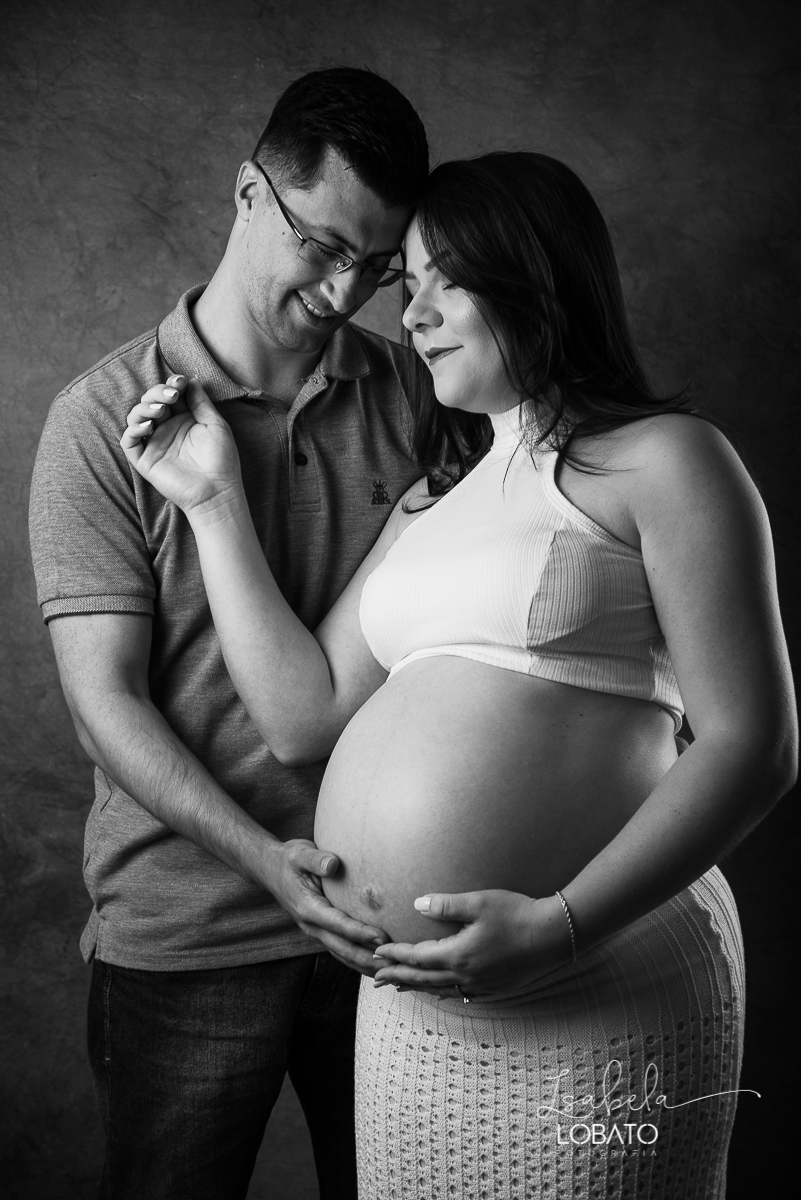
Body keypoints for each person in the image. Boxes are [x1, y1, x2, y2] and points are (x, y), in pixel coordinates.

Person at [120, 150, 797, 1199]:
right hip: (411, 1022)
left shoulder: (665, 459)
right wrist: (210, 502)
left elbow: (755, 744)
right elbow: (302, 714)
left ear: (536, 280)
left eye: (450, 281)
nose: (413, 313)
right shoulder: (432, 502)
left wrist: (560, 926)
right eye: (412, 283)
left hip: (600, 975)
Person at [28, 68, 429, 1199]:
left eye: (378, 266)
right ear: (250, 193)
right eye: (324, 246)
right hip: (190, 935)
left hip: (388, 926)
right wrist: (264, 862)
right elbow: (105, 705)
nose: (346, 290)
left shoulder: (416, 389)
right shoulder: (97, 423)